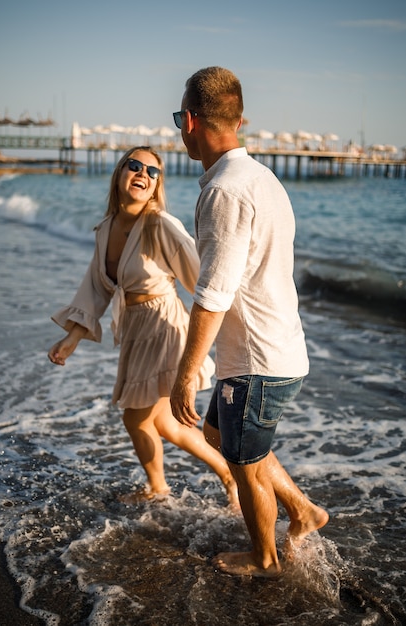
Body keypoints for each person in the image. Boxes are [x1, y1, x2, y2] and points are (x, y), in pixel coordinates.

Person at [170, 67, 328, 577]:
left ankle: (265, 559)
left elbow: (213, 294)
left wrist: (186, 372)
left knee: (244, 464)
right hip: (274, 348)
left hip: (256, 362)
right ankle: (303, 511)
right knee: (222, 436)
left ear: (191, 120)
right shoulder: (262, 178)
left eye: (179, 120)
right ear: (241, 120)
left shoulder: (225, 191)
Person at [48, 146, 238, 507]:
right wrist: (72, 337)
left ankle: (160, 486)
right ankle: (220, 475)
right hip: (136, 330)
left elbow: (203, 277)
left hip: (166, 327)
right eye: (134, 166)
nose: (143, 174)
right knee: (166, 424)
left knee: (135, 418)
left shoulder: (160, 225)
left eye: (152, 172)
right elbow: (96, 286)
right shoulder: (105, 229)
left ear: (156, 186)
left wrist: (232, 325)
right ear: (120, 173)